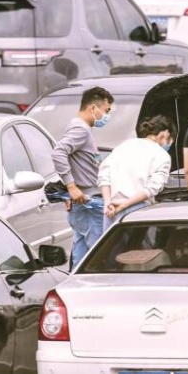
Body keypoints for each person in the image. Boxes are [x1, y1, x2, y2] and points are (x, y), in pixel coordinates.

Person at [52, 86, 114, 269]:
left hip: (84, 203)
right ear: (93, 108)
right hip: (88, 202)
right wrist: (71, 186)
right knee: (97, 257)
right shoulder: (81, 129)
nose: (107, 116)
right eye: (106, 111)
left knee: (82, 256)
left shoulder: (82, 128)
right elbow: (59, 153)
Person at [99, 115, 177, 231]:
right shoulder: (162, 156)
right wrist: (124, 206)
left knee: (111, 249)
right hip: (139, 212)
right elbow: (151, 189)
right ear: (165, 133)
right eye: (170, 140)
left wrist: (107, 202)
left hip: (112, 210)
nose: (168, 145)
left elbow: (104, 174)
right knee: (138, 249)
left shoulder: (124, 146)